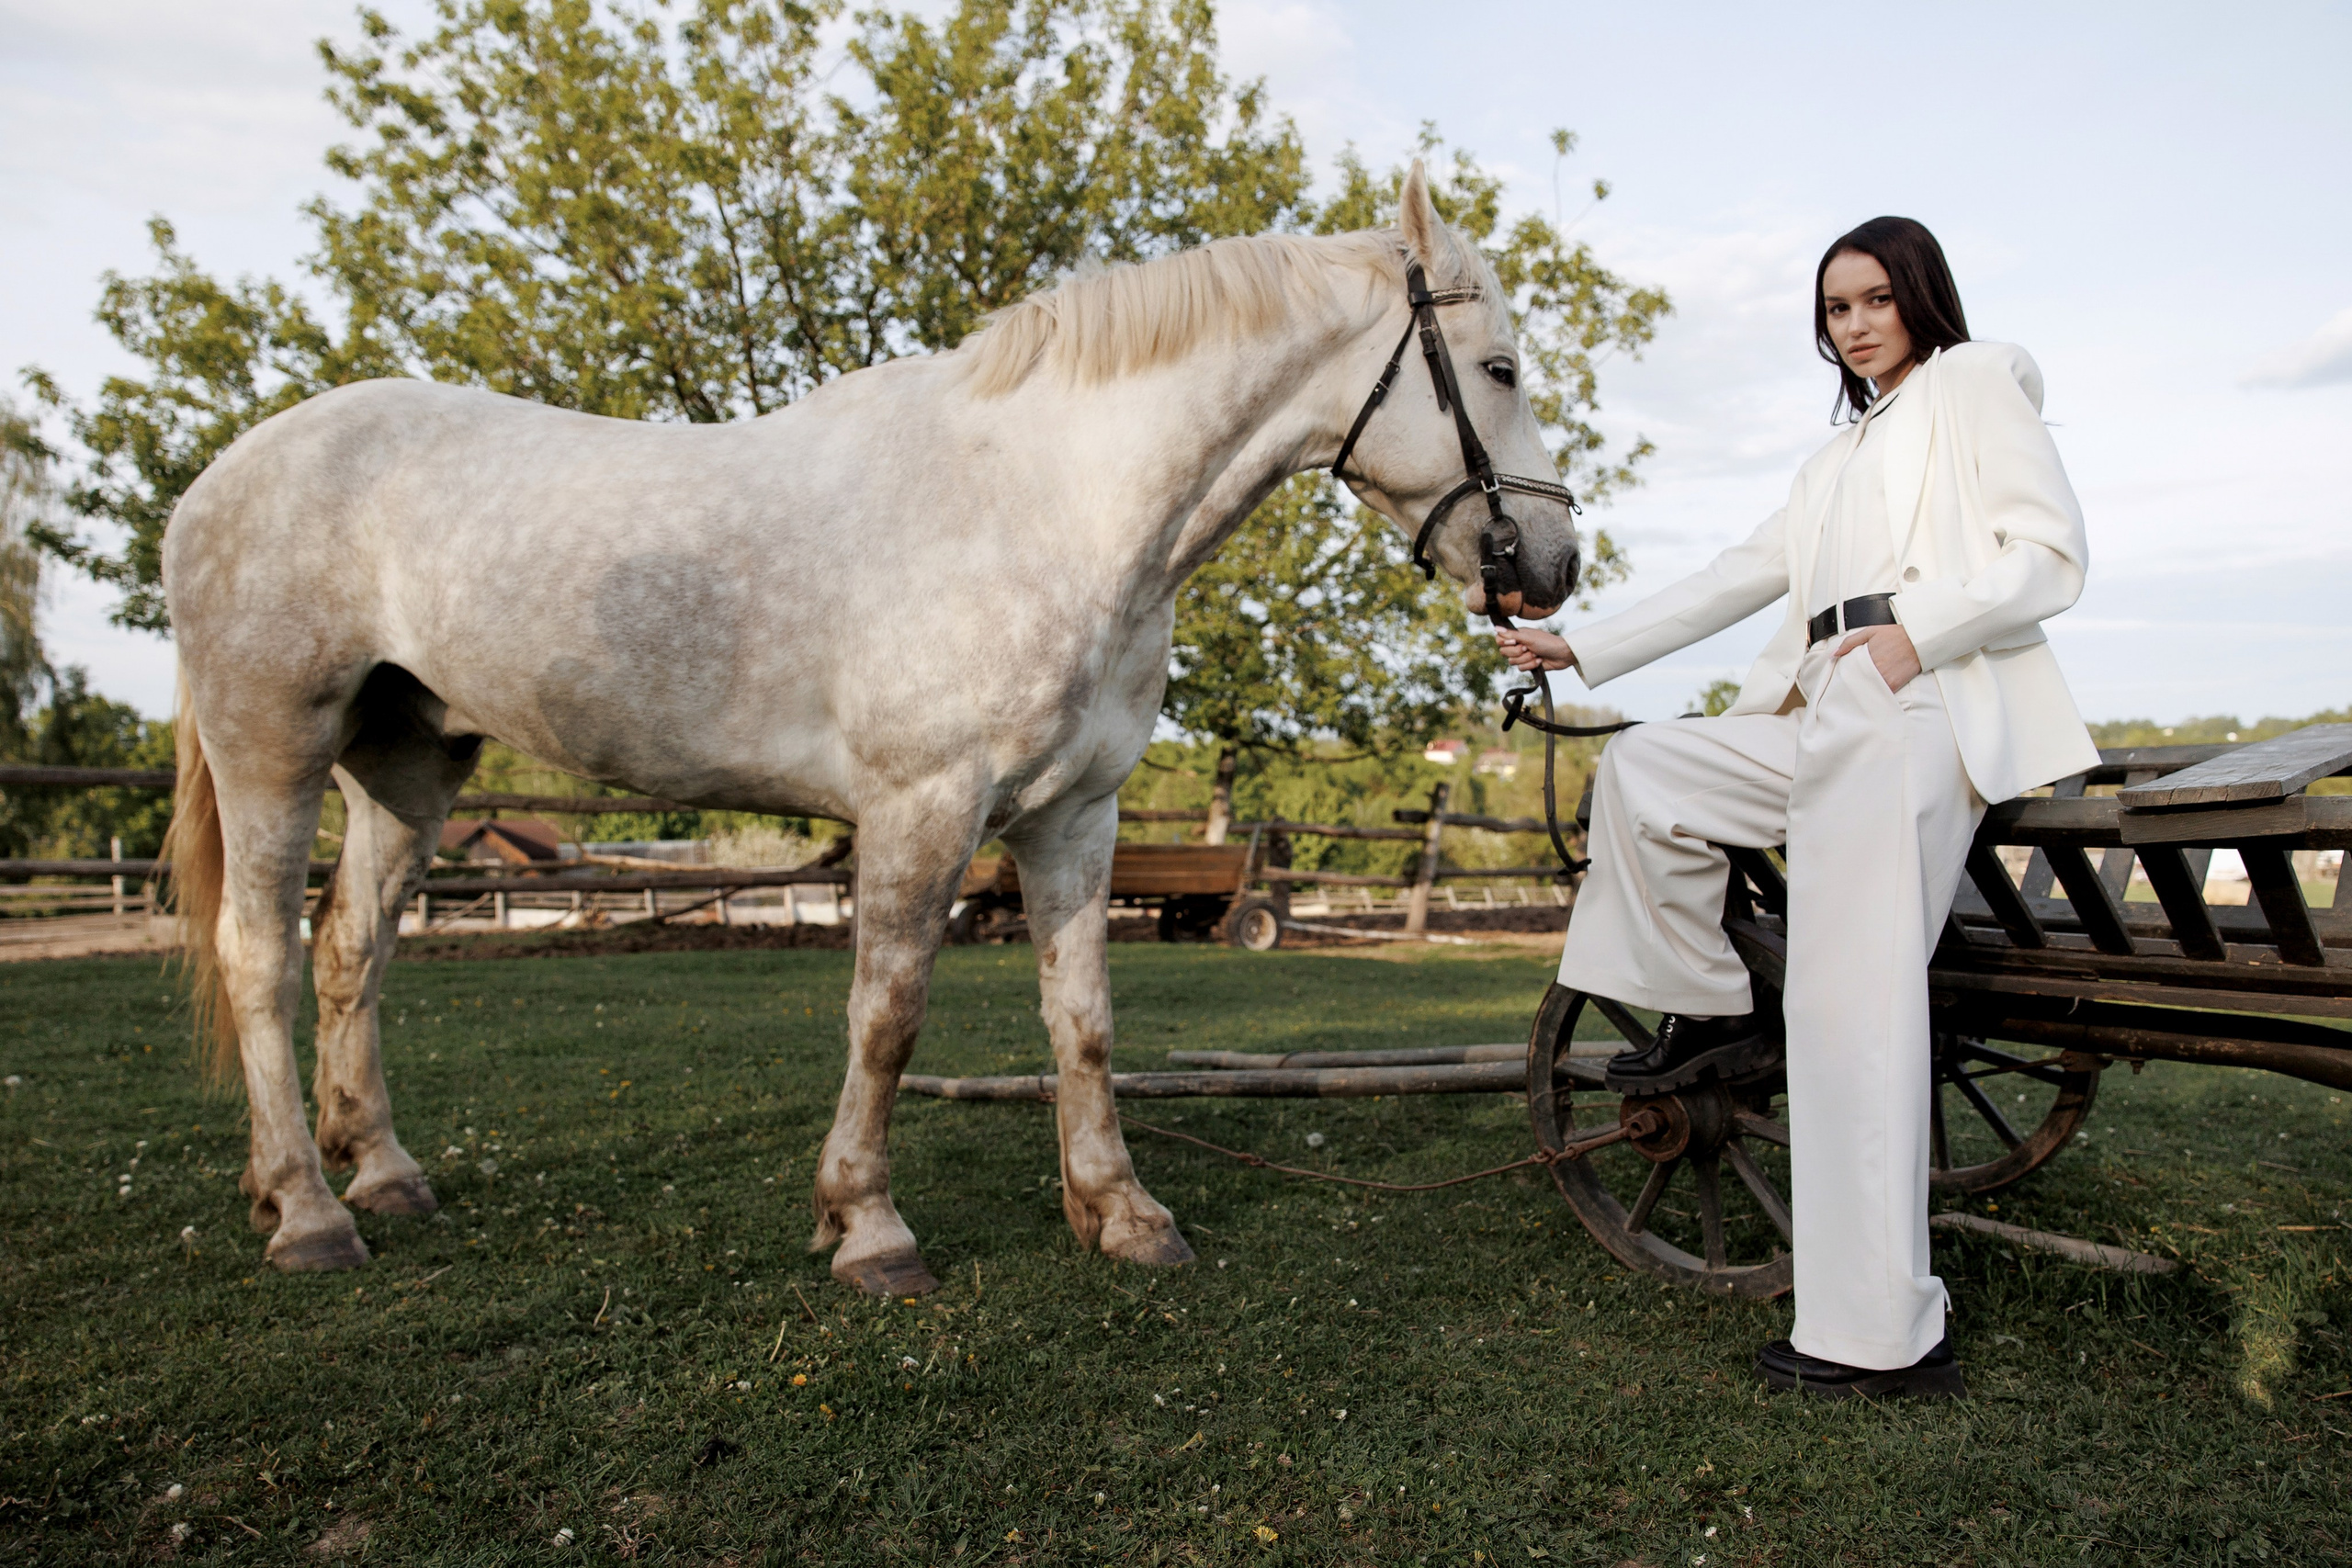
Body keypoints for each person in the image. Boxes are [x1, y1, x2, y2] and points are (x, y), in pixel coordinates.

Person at [1497, 217, 2096, 1400]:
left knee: (1852, 1010)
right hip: (1821, 702)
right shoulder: (1831, 463)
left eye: (1876, 299)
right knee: (1651, 769)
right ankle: (1709, 1006)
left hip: (1917, 700)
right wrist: (1584, 646)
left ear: (1921, 297)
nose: (1858, 324)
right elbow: (1734, 575)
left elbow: (2051, 554)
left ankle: (1881, 1337)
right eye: (1836, 310)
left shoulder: (1974, 385)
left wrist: (1912, 642)